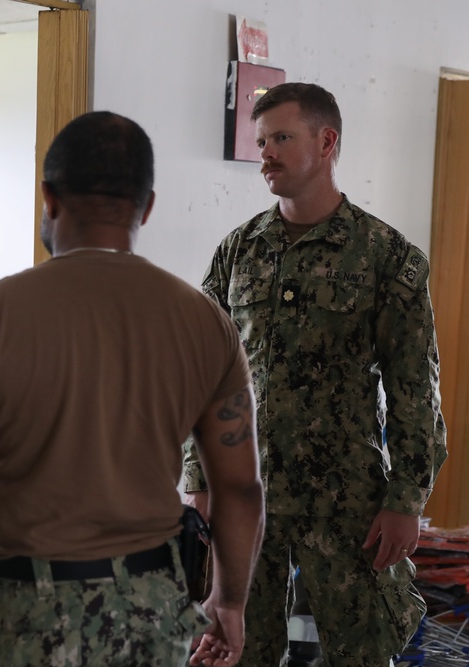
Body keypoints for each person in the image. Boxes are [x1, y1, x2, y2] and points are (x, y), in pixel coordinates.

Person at [0, 111, 265, 667]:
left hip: (31, 608)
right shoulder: (204, 322)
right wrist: (230, 600)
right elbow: (239, 490)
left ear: (48, 198)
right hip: (153, 604)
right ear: (147, 206)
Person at [183, 82, 448, 666]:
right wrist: (196, 473)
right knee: (237, 650)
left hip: (344, 499)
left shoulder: (385, 256)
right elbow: (202, 370)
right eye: (261, 141)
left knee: (361, 652)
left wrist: (407, 498)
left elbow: (414, 390)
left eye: (281, 138)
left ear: (326, 142)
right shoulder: (240, 251)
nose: (266, 154)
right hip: (245, 491)